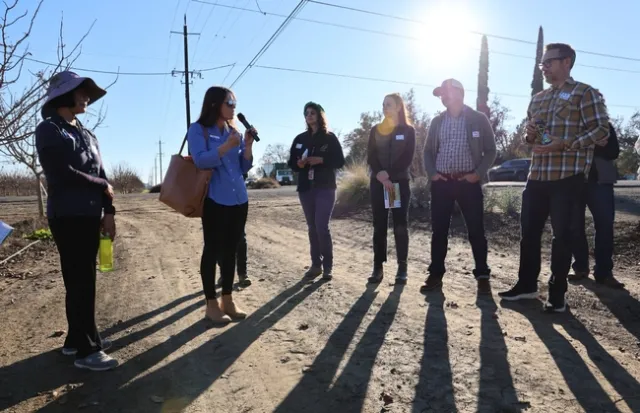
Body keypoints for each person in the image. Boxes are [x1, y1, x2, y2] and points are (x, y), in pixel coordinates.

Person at [499, 43, 610, 312]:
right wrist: (529, 135)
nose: (544, 68)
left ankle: (557, 294)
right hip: (537, 176)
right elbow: (532, 138)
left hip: (568, 177)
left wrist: (566, 144)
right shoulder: (538, 98)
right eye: (542, 64)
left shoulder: (584, 93)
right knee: (529, 234)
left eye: (549, 62)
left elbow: (601, 131)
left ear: (567, 61)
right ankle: (526, 285)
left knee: (563, 236)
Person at [35, 71, 118, 371]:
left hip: (89, 215)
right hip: (67, 216)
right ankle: (87, 351)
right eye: (81, 92)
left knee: (82, 279)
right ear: (63, 96)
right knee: (80, 280)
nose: (86, 97)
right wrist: (99, 185)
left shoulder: (86, 133)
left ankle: (77, 339)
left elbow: (103, 175)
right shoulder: (49, 130)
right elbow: (61, 173)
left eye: (88, 93)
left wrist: (109, 212)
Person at [422, 79, 497, 294]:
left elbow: (491, 150)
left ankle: (482, 274)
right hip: (442, 183)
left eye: (445, 93)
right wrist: (433, 174)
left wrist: (478, 173)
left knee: (476, 230)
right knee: (439, 231)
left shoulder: (478, 119)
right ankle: (435, 275)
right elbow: (427, 151)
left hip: (468, 183)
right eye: (440, 95)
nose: (442, 98)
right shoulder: (437, 121)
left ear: (458, 93)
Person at [188, 86, 255, 325]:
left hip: (239, 198)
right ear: (216, 104)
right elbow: (200, 160)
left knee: (232, 249)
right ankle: (211, 304)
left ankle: (228, 298)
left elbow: (243, 167)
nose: (234, 108)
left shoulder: (233, 130)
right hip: (215, 199)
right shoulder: (198, 130)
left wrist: (247, 146)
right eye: (230, 103)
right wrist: (225, 146)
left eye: (235, 104)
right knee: (212, 250)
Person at [288, 102, 345, 280]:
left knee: (321, 226)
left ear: (320, 115)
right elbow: (291, 163)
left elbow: (340, 161)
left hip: (325, 187)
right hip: (306, 188)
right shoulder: (299, 139)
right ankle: (315, 265)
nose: (309, 115)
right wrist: (298, 164)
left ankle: (328, 266)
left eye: (312, 112)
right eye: (306, 113)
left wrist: (321, 160)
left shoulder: (330, 138)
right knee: (312, 227)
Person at [367, 93, 416, 285]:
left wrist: (390, 175)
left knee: (400, 226)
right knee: (379, 226)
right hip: (378, 183)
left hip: (398, 183)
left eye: (388, 104)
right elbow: (370, 156)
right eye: (383, 104)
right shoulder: (376, 130)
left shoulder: (408, 130)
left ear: (398, 107)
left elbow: (407, 158)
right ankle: (378, 267)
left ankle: (402, 268)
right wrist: (379, 173)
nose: (385, 107)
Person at [570, 122, 625, 288]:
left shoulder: (605, 126)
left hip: (601, 183)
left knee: (605, 226)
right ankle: (580, 267)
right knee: (575, 226)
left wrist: (585, 144)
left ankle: (604, 273)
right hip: (574, 180)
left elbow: (613, 152)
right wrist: (593, 142)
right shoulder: (571, 123)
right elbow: (565, 148)